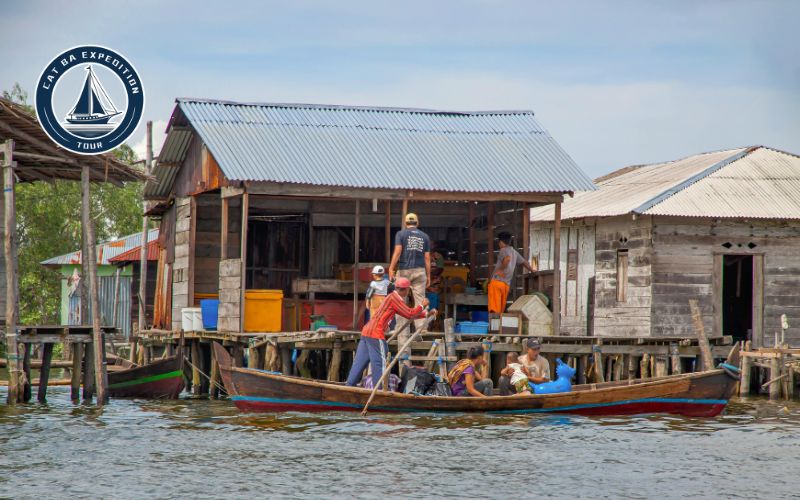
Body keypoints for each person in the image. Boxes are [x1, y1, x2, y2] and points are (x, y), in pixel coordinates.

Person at [346, 277, 436, 389]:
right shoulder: (395, 299)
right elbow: (409, 314)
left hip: (366, 332)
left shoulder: (392, 297)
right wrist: (422, 305)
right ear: (406, 290)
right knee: (380, 364)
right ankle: (379, 390)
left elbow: (408, 314)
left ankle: (349, 385)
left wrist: (426, 314)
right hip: (376, 333)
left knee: (359, 362)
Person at [388, 212, 431, 367]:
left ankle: (401, 330)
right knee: (420, 300)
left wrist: (391, 267)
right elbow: (427, 258)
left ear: (406, 222)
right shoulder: (425, 236)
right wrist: (429, 275)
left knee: (401, 301)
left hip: (405, 270)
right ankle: (421, 330)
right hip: (420, 270)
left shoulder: (401, 234)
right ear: (417, 222)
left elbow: (398, 251)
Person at [487, 231, 535, 313]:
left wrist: (500, 270)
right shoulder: (514, 252)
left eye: (499, 242)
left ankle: (494, 325)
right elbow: (524, 262)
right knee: (500, 311)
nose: (499, 244)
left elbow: (507, 259)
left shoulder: (503, 250)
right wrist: (532, 270)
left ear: (501, 242)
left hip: (497, 283)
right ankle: (498, 325)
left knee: (494, 310)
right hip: (505, 285)